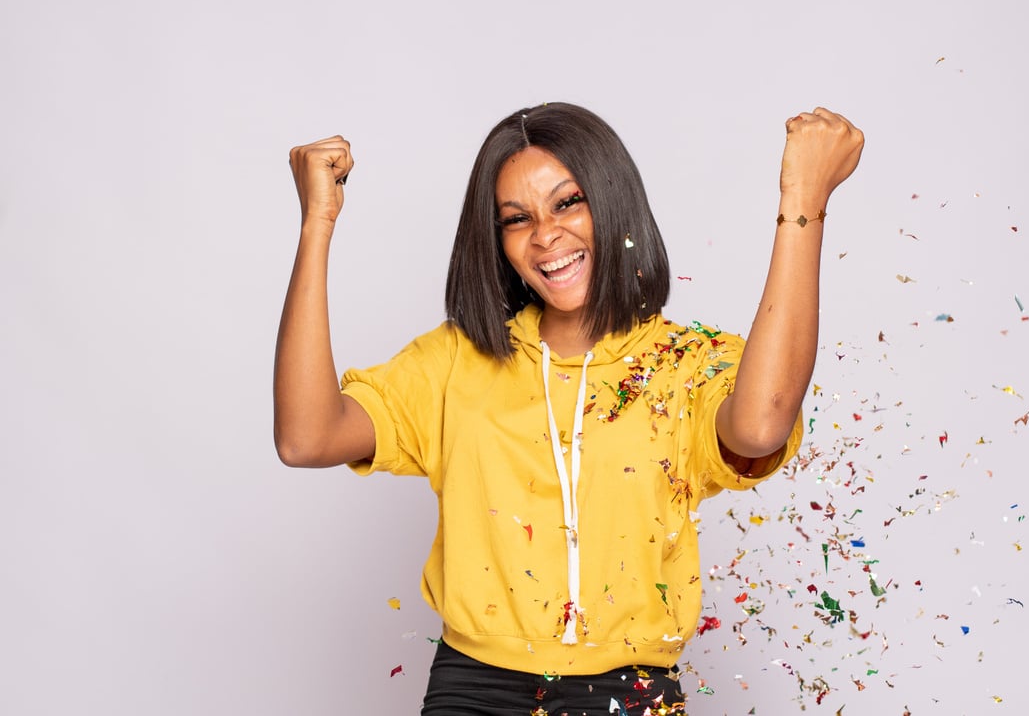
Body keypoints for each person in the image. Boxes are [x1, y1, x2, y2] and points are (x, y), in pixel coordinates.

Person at [274, 102, 864, 715]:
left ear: (611, 201)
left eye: (567, 202)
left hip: (629, 694)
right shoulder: (455, 360)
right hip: (471, 690)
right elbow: (306, 437)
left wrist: (804, 197)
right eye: (516, 218)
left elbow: (762, 423)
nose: (545, 235)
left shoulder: (687, 364)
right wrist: (318, 221)